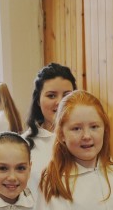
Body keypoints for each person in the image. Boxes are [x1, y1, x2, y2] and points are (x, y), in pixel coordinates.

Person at [23, 63, 77, 194]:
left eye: (67, 95)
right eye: (51, 95)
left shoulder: (88, 140)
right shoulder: (22, 144)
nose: (60, 102)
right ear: (38, 100)